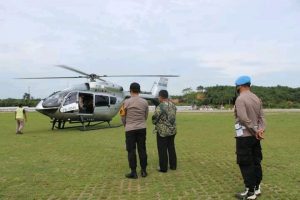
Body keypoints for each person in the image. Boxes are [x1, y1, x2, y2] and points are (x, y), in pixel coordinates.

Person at [234, 76, 266, 200]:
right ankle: (257, 188)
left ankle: (250, 191)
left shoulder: (240, 99)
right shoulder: (256, 98)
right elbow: (262, 117)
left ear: (239, 86)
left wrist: (254, 130)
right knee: (256, 161)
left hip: (245, 136)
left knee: (245, 163)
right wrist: (260, 130)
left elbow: (243, 118)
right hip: (256, 136)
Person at [120, 82, 149, 179]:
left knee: (131, 150)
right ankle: (144, 171)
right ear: (139, 90)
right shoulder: (145, 102)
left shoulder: (126, 102)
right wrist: (141, 122)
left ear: (130, 90)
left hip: (130, 129)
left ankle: (133, 172)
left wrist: (126, 125)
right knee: (142, 149)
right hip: (141, 128)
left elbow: (122, 116)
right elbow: (146, 115)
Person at [152, 90, 177, 173]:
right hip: (172, 130)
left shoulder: (160, 106)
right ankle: (173, 165)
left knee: (162, 149)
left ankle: (163, 167)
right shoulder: (173, 105)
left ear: (161, 97)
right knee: (171, 147)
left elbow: (155, 117)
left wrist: (154, 122)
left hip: (163, 131)